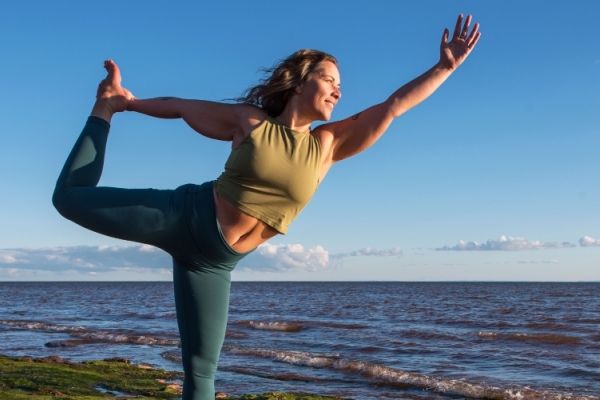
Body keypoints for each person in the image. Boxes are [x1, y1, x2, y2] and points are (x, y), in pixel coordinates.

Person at [53, 14, 480, 400]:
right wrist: (124, 103)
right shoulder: (250, 121)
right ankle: (101, 111)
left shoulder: (326, 145)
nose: (339, 88)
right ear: (300, 83)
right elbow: (182, 108)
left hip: (215, 263)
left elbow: (393, 107)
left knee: (201, 373)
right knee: (67, 198)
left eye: (340, 83)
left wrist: (444, 67)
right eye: (330, 78)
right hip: (185, 216)